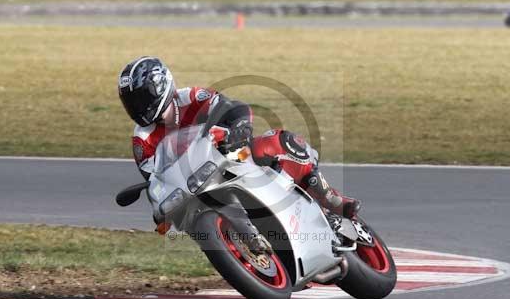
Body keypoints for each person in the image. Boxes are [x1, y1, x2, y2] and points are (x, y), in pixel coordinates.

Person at [117, 56, 361, 223]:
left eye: (141, 98)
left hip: (230, 155)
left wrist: (240, 127)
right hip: (195, 186)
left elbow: (229, 106)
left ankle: (330, 198)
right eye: (130, 102)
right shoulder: (142, 139)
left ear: (160, 86)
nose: (137, 107)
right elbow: (155, 179)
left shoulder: (190, 97)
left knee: (273, 142)